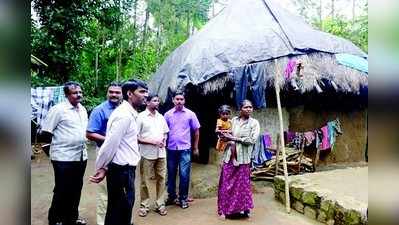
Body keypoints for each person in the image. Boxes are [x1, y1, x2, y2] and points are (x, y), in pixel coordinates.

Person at [89, 79, 148, 225]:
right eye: (141, 92)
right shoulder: (124, 115)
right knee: (119, 211)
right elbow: (110, 145)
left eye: (146, 92)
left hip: (125, 170)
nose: (145, 95)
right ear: (129, 93)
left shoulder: (130, 113)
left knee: (123, 209)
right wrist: (102, 167)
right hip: (121, 171)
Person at [41, 81, 88, 225]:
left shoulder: (83, 109)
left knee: (76, 189)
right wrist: (54, 155)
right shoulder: (58, 110)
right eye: (75, 92)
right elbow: (45, 134)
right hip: (63, 158)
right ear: (67, 94)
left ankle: (72, 218)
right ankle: (55, 220)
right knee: (62, 190)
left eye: (80, 92)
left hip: (81, 156)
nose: (78, 95)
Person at [86, 82, 122, 225]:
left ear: (122, 94)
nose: (114, 94)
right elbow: (90, 133)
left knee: (120, 190)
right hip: (105, 152)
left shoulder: (125, 110)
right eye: (111, 92)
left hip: (122, 154)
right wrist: (111, 140)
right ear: (107, 93)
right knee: (104, 191)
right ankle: (102, 222)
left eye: (117, 92)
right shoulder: (99, 110)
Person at [217, 99, 260, 219]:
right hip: (229, 156)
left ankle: (244, 209)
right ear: (240, 109)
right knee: (226, 184)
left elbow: (252, 140)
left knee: (242, 185)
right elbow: (226, 133)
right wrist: (224, 137)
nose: (249, 109)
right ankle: (225, 210)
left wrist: (235, 139)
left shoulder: (254, 123)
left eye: (250, 107)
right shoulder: (233, 121)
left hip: (244, 159)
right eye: (246, 107)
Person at [164, 92, 200, 209]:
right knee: (171, 174)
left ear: (184, 101)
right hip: (171, 149)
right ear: (173, 100)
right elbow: (164, 131)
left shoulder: (190, 114)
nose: (179, 101)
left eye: (181, 99)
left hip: (185, 149)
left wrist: (195, 147)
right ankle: (171, 197)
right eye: (177, 99)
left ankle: (183, 198)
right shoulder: (167, 115)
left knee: (184, 175)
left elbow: (196, 131)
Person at [137, 94, 169, 217]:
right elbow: (136, 137)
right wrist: (152, 142)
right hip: (146, 153)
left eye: (158, 101)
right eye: (154, 101)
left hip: (161, 154)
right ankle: (144, 206)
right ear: (147, 102)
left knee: (161, 178)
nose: (157, 103)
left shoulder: (161, 117)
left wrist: (163, 141)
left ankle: (160, 204)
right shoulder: (140, 117)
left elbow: (165, 133)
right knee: (145, 180)